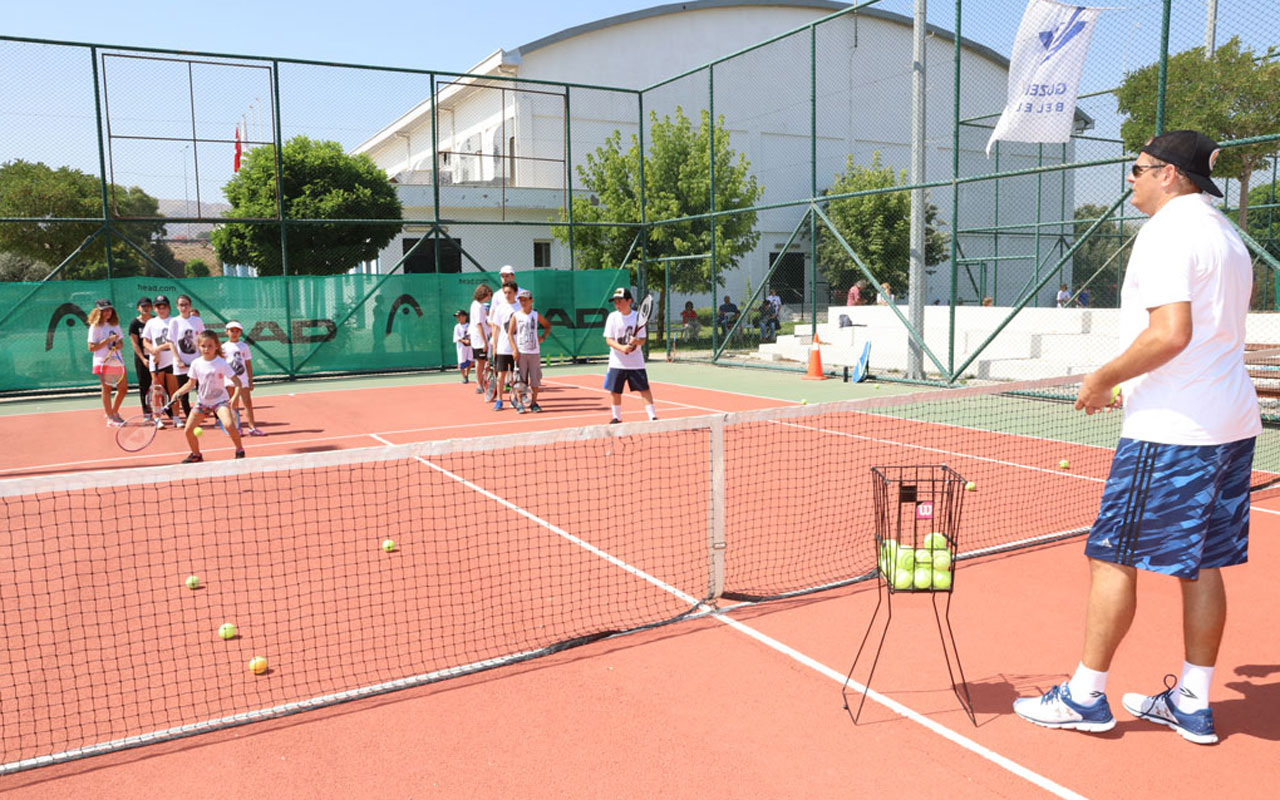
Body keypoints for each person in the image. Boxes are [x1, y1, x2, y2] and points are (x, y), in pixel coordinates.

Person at [1012, 130, 1258, 746]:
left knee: (1111, 555)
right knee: (1200, 564)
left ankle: (1084, 696)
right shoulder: (1227, 236)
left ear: (1170, 175)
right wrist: (1136, 384)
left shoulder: (1168, 232)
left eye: (1139, 167)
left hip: (1174, 433)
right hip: (1228, 423)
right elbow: (1201, 338)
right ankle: (1192, 702)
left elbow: (1171, 333)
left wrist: (1103, 377)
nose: (1131, 177)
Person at [173, 330, 244, 463]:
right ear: (199, 347)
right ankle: (196, 454)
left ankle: (239, 449)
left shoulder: (221, 363)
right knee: (188, 430)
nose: (206, 349)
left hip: (220, 401)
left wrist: (235, 397)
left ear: (216, 346)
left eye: (210, 346)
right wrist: (178, 392)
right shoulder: (196, 363)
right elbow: (191, 383)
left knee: (229, 425)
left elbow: (237, 382)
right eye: (203, 346)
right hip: (203, 402)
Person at [603, 287, 657, 423]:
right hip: (617, 362)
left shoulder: (639, 317)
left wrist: (636, 341)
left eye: (620, 301)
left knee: (644, 389)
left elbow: (643, 340)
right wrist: (622, 348)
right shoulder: (612, 317)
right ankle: (617, 417)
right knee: (615, 391)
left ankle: (652, 416)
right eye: (615, 302)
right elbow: (609, 339)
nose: (617, 304)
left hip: (636, 362)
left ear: (629, 301)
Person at [508, 288, 551, 413]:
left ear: (531, 301)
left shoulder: (535, 315)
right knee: (520, 380)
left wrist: (543, 337)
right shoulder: (516, 315)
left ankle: (534, 403)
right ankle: (520, 403)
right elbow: (510, 334)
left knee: (535, 380)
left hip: (534, 353)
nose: (523, 302)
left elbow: (547, 325)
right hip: (521, 352)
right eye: (521, 300)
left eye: (525, 300)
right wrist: (515, 349)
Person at [142, 295, 181, 427]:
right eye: (158, 307)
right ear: (154, 308)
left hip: (172, 360)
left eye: (164, 306)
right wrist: (153, 351)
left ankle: (176, 417)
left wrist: (158, 348)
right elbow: (145, 341)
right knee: (157, 390)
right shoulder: (151, 323)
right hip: (156, 362)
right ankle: (157, 418)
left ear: (169, 308)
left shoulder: (174, 321)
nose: (161, 309)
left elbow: (174, 342)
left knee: (174, 389)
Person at [86, 298, 127, 426]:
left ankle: (113, 412)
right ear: (98, 312)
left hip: (117, 361)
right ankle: (110, 418)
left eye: (109, 310)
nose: (107, 313)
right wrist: (107, 341)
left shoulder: (115, 325)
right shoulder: (95, 327)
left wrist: (118, 344)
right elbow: (91, 347)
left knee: (123, 388)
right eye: (104, 310)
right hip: (102, 362)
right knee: (107, 388)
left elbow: (121, 343)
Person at [221, 321, 264, 436]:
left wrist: (250, 380)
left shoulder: (244, 346)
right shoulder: (223, 347)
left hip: (243, 380)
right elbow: (221, 365)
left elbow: (248, 364)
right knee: (233, 404)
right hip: (230, 380)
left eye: (237, 331)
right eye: (232, 331)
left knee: (247, 403)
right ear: (226, 332)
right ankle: (236, 428)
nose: (234, 333)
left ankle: (252, 428)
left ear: (240, 333)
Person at [167, 295, 204, 419]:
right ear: (177, 307)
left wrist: (203, 359)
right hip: (181, 364)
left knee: (202, 391)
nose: (183, 307)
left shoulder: (197, 321)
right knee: (184, 394)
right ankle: (190, 419)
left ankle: (208, 416)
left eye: (186, 304)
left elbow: (203, 340)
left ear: (190, 306)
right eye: (181, 305)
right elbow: (171, 342)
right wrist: (178, 359)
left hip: (197, 363)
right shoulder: (174, 321)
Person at [488, 282, 519, 411]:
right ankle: (500, 400)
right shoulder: (500, 308)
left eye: (509, 292)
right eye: (505, 292)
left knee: (515, 376)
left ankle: (514, 399)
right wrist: (494, 346)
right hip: (502, 348)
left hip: (517, 348)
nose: (507, 295)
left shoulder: (520, 307)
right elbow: (495, 328)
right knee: (501, 376)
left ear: (515, 293)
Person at [127, 297, 154, 420]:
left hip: (157, 357)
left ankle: (167, 410)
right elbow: (135, 343)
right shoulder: (134, 324)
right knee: (144, 385)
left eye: (148, 306)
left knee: (162, 383)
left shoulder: (155, 320)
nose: (146, 308)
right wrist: (143, 359)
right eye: (143, 306)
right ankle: (146, 412)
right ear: (138, 308)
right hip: (142, 358)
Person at [468, 284, 493, 395]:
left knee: (483, 361)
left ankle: (482, 383)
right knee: (480, 362)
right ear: (484, 293)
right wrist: (484, 342)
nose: (490, 297)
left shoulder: (478, 305)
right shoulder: (477, 306)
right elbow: (479, 324)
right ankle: (479, 384)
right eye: (489, 294)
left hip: (481, 338)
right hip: (479, 339)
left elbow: (483, 322)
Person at [452, 309, 473, 384]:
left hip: (470, 346)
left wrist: (470, 341)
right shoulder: (457, 327)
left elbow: (472, 334)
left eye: (459, 316)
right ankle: (464, 377)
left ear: (465, 317)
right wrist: (464, 341)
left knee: (470, 361)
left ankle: (467, 375)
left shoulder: (470, 325)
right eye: (457, 317)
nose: (458, 318)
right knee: (461, 363)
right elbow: (456, 338)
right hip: (461, 348)